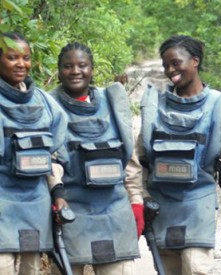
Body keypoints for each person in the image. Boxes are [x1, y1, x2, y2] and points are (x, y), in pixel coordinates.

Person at [125, 34, 221, 275]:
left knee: (196, 269)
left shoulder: (218, 103)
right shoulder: (155, 105)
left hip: (198, 204)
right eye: (165, 65)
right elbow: (141, 158)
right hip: (161, 205)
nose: (170, 70)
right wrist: (141, 197)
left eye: (176, 62)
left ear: (195, 61)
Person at [49, 42, 142, 275]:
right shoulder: (48, 105)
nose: (75, 71)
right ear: (59, 71)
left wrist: (137, 200)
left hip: (115, 210)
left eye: (82, 65)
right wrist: (56, 196)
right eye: (68, 66)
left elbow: (130, 159)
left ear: (92, 69)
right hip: (69, 211)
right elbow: (48, 159)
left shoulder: (112, 102)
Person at [0, 32, 67, 274]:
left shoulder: (45, 103)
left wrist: (58, 193)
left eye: (26, 57)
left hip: (35, 203)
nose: (21, 64)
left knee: (31, 268)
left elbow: (54, 156)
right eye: (12, 57)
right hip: (2, 203)